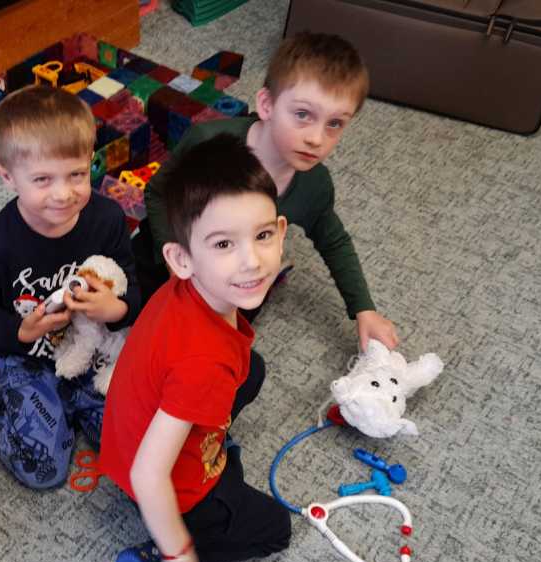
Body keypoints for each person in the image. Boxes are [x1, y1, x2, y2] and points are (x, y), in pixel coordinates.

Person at [134, 31, 399, 352]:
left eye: (335, 123)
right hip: (172, 252)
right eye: (302, 115)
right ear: (266, 104)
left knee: (217, 345)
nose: (317, 138)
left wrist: (364, 309)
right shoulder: (206, 140)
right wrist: (174, 264)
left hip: (232, 277)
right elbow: (158, 193)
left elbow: (334, 240)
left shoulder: (314, 185)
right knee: (131, 312)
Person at [100, 135, 291, 562]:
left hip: (127, 440)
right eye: (224, 244)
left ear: (281, 233)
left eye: (263, 235)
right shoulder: (203, 363)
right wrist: (178, 553)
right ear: (181, 258)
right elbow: (149, 474)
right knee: (276, 529)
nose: (252, 261)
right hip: (164, 485)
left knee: (251, 370)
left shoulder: (187, 288)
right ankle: (163, 551)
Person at [0, 85, 140, 489]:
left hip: (93, 346)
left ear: (90, 163)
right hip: (27, 356)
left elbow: (130, 279)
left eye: (76, 174)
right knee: (44, 471)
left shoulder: (107, 219)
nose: (63, 194)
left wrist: (117, 308)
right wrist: (20, 332)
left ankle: (70, 408)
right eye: (42, 179)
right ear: (7, 177)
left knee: (137, 448)